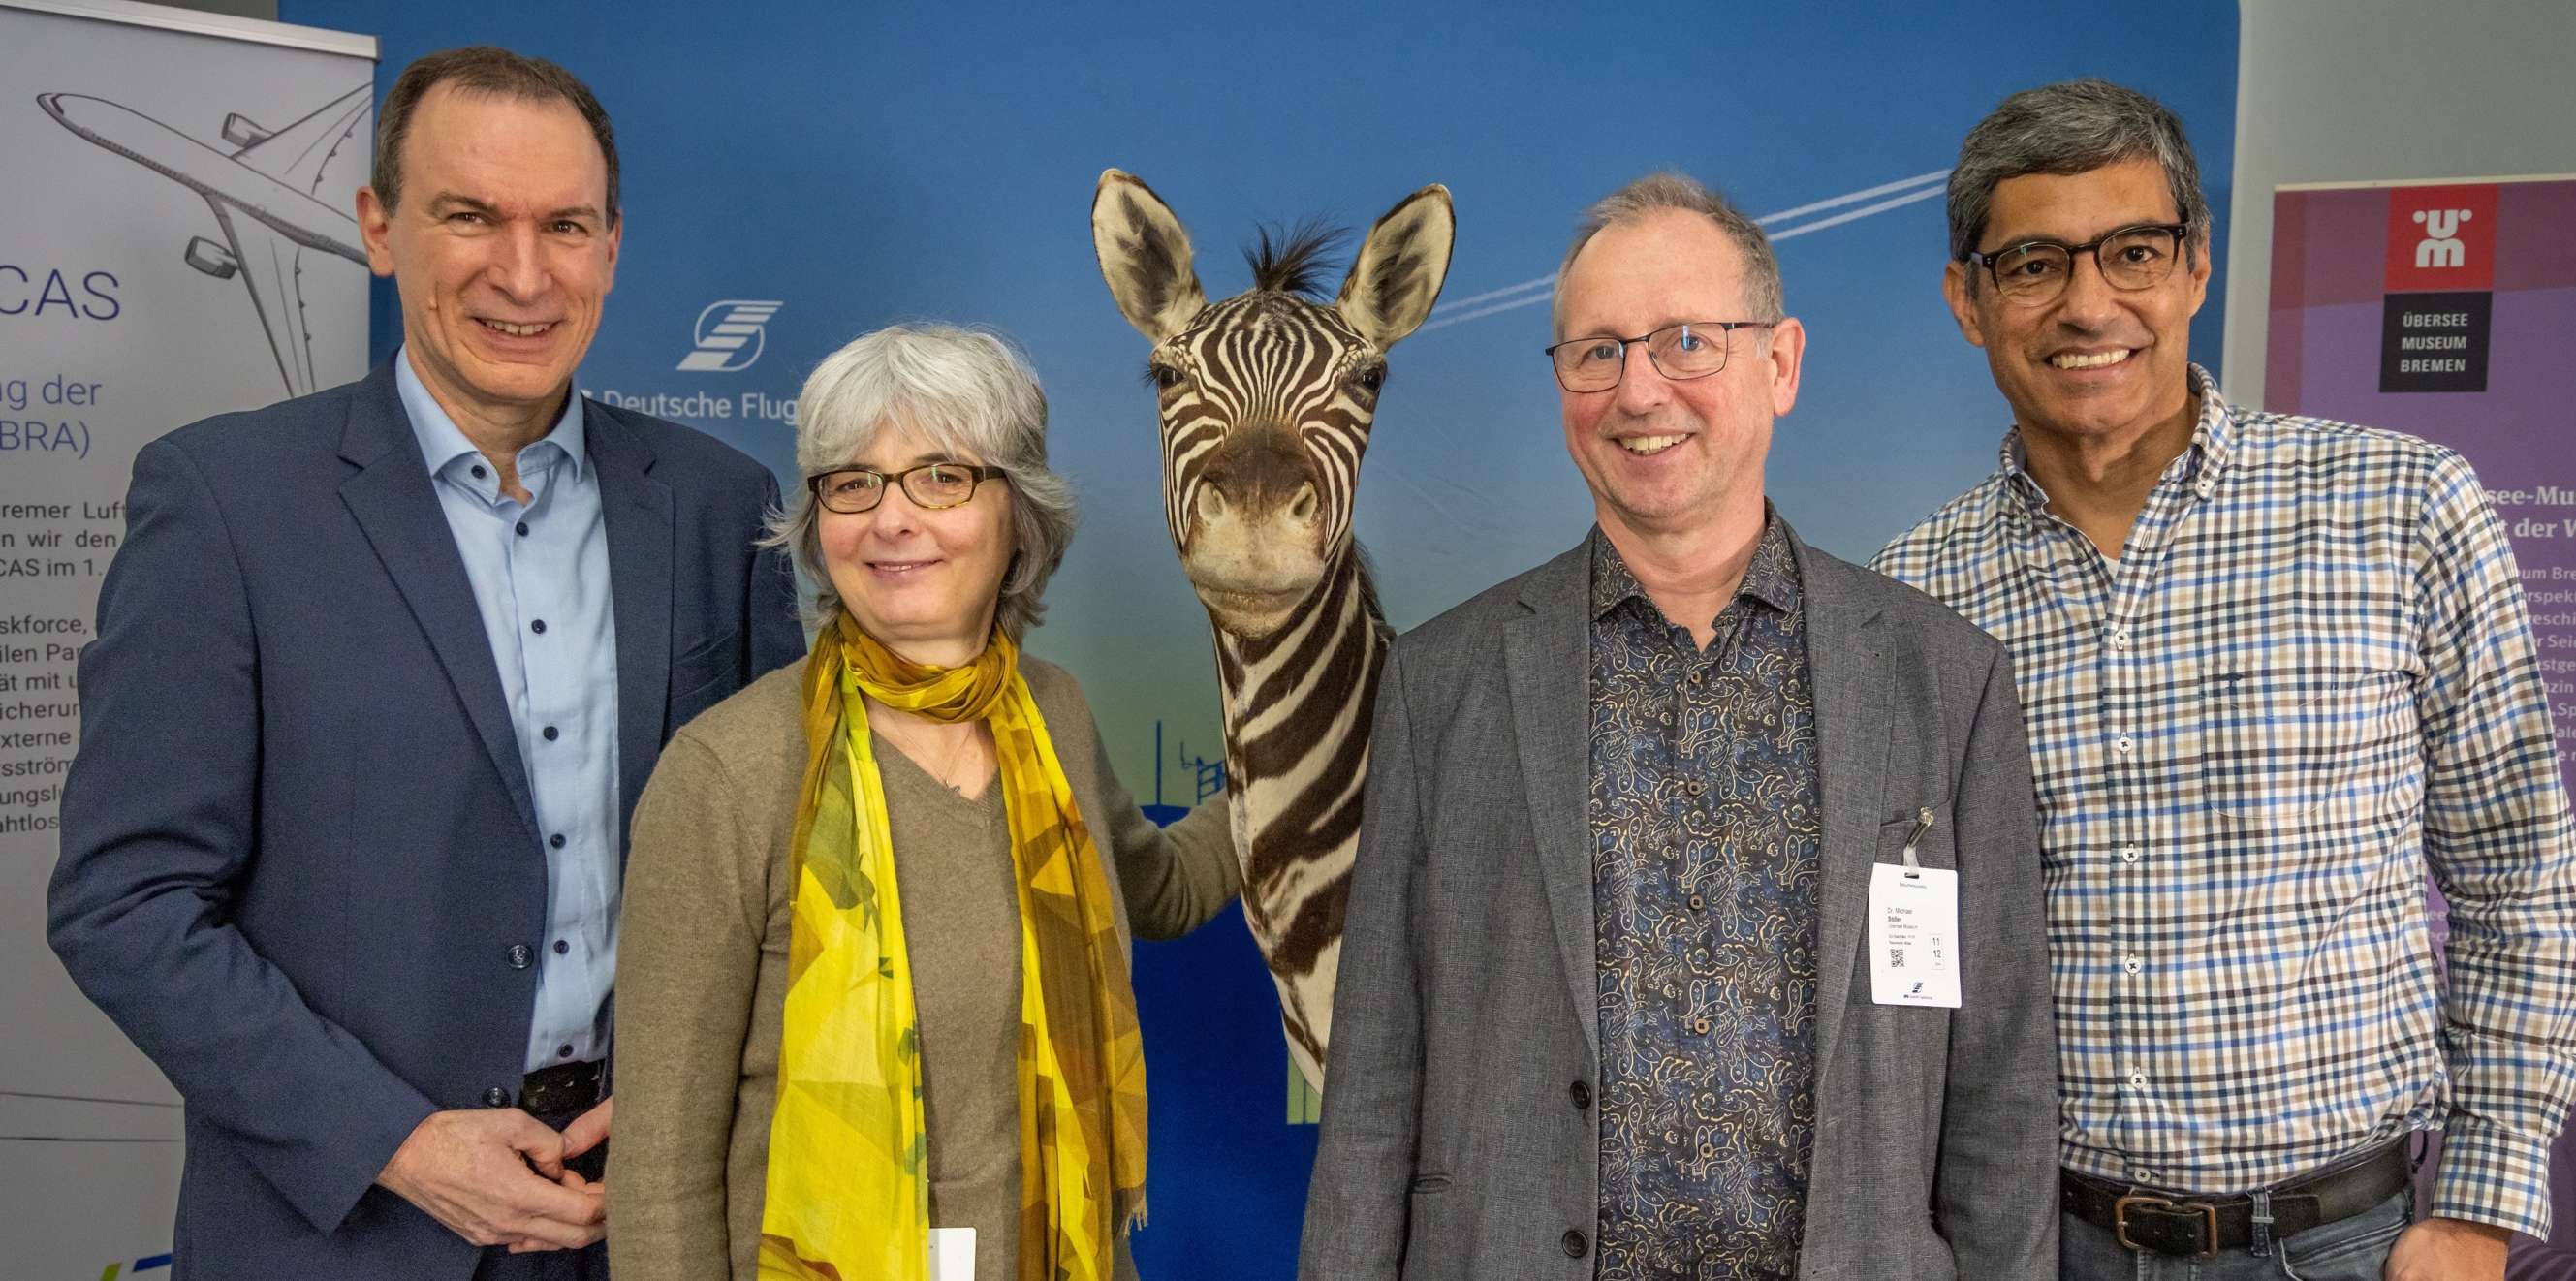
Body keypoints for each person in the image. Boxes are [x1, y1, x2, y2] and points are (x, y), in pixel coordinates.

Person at [47, 46, 802, 1281]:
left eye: (565, 223)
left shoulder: (721, 505)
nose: (523, 271)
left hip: (647, 1222)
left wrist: (685, 1102)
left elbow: (778, 877)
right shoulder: (225, 503)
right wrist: (394, 1139)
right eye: (470, 216)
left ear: (613, 246)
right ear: (379, 227)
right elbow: (123, 905)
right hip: (353, 1228)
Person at [1873, 78, 2576, 1281]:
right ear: (1967, 299)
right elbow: (1914, 955)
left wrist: (2476, 1206)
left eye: (2132, 251)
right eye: (2035, 262)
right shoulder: (1914, 588)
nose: (2087, 303)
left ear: (2195, 268)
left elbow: (2520, 871)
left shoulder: (2401, 508)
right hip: (2043, 1243)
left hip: (2346, 1244)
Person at [1299, 172, 2058, 1281]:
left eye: (1687, 341)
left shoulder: (1942, 679)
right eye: (1597, 351)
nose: (1638, 390)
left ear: (1781, 362)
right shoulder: (1440, 682)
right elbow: (1371, 1083)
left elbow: (1997, 1086)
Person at [607, 324, 1242, 1281]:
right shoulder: (725, 773)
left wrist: (1317, 765)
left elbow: (1155, 888)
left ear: (1015, 512)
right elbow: (658, 1176)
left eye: (940, 476)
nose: (891, 518)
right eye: (852, 481)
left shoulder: (1054, 712)